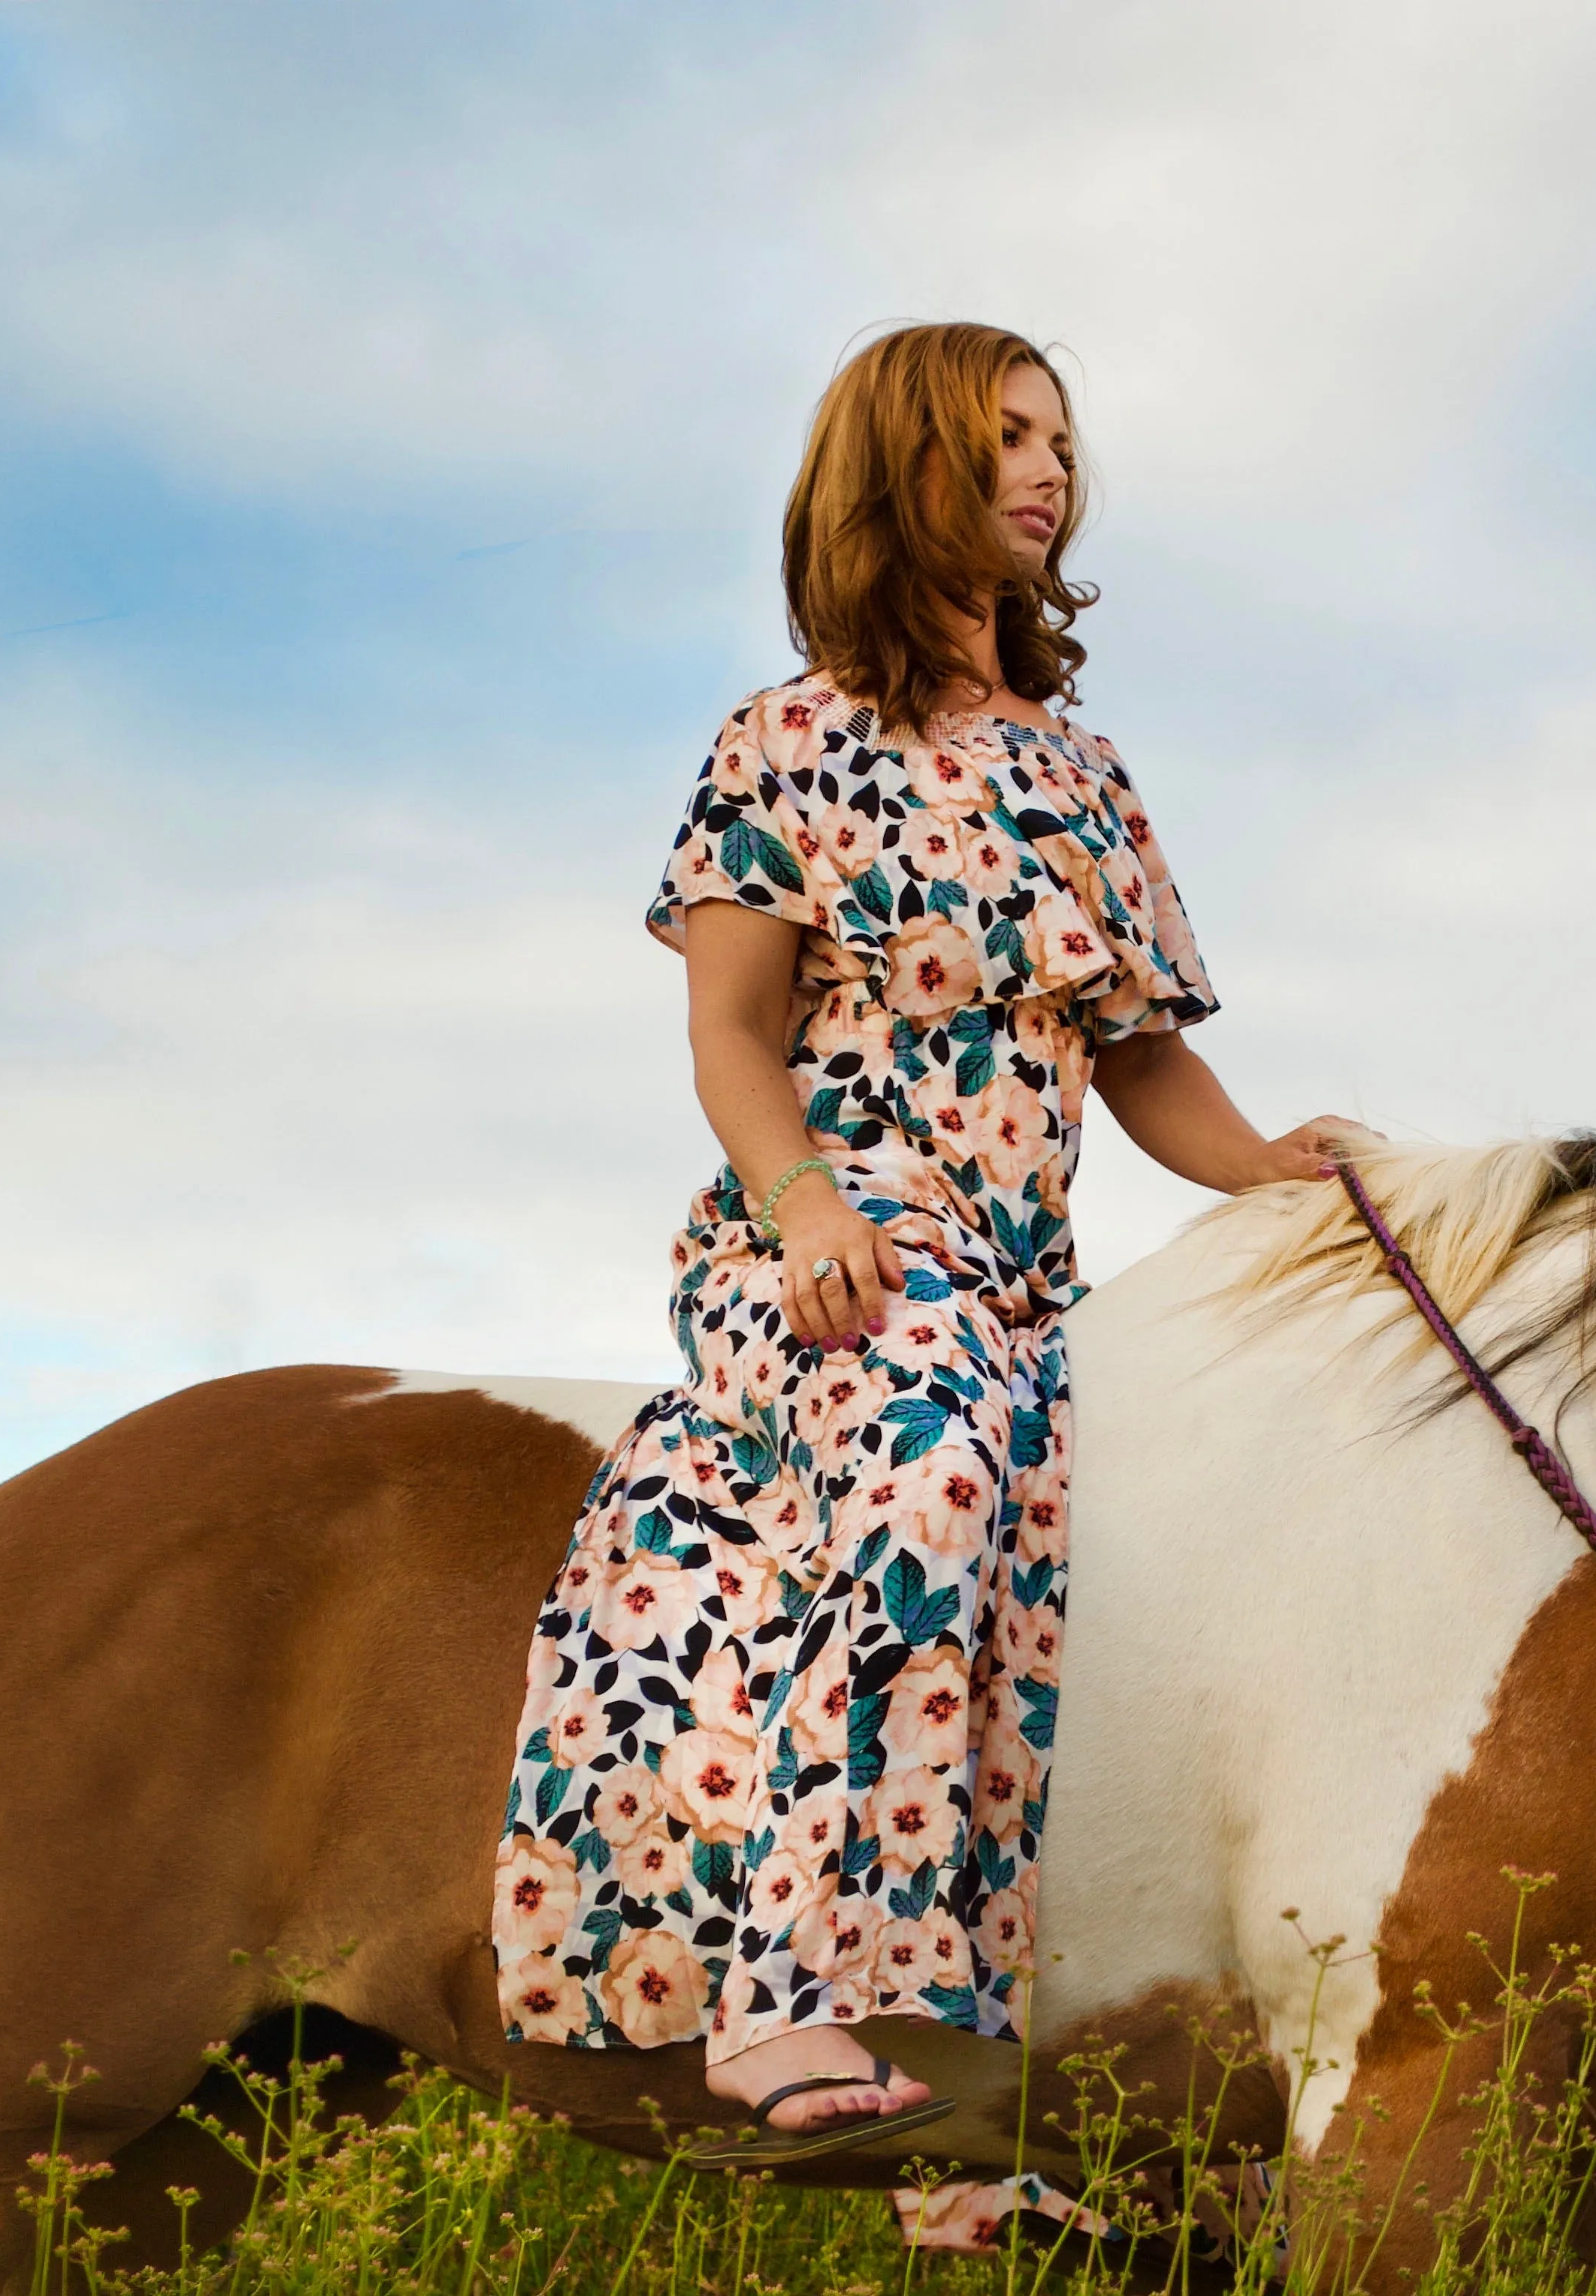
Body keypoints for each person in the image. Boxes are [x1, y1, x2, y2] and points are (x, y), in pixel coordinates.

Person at [493, 322, 1352, 2164]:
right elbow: (731, 1033)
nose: (1054, 472)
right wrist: (804, 1203)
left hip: (1023, 1269)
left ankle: (985, 2129)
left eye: (1061, 440)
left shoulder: (1089, 774)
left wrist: (1278, 1173)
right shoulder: (782, 744)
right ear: (909, 476)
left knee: (1099, 1551)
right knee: (934, 1474)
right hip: (833, 1232)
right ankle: (784, 1997)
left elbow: (1141, 1058)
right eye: (1005, 441)